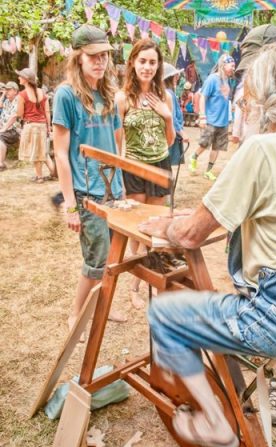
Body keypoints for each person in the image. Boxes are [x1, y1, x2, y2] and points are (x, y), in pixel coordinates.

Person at [139, 40, 276, 447]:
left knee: (164, 314)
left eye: (250, 91)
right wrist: (197, 215)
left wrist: (162, 224)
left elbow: (187, 236)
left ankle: (218, 426)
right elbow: (268, 212)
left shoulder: (263, 149)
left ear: (265, 93)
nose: (245, 99)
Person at [54, 25, 129, 335]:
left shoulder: (109, 92)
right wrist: (71, 204)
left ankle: (102, 306)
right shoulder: (66, 95)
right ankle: (75, 315)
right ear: (78, 57)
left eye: (105, 56)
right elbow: (60, 153)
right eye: (93, 56)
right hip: (87, 193)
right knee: (96, 256)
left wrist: (122, 184)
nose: (100, 62)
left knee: (112, 255)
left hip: (114, 190)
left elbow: (116, 143)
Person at [115, 39, 176, 311]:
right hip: (134, 169)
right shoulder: (122, 98)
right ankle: (134, 288)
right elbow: (118, 143)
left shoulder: (166, 97)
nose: (147, 67)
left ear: (158, 66)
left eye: (152, 62)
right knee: (136, 230)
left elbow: (171, 140)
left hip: (160, 166)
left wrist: (167, 116)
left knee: (157, 228)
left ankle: (152, 282)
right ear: (133, 63)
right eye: (143, 61)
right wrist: (120, 174)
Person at [188, 53, 235, 180]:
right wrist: (202, 116)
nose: (233, 68)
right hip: (211, 120)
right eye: (231, 65)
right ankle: (194, 157)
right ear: (223, 65)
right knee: (204, 144)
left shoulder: (228, 81)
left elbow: (225, 100)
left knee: (217, 147)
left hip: (223, 121)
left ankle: (208, 171)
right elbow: (203, 96)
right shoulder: (212, 79)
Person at [14, 68, 56, 182]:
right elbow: (47, 112)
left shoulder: (22, 95)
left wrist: (23, 119)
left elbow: (19, 114)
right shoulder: (42, 92)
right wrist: (49, 126)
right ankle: (53, 172)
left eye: (20, 76)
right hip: (42, 125)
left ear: (26, 79)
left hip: (30, 125)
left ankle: (39, 176)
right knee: (42, 151)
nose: (18, 78)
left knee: (36, 151)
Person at [0, 81, 22, 168]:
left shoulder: (18, 101)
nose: (6, 92)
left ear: (15, 91)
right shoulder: (6, 102)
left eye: (9, 90)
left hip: (14, 130)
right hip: (5, 128)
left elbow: (14, 117)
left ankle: (1, 164)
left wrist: (4, 128)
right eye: (5, 90)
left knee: (0, 136)